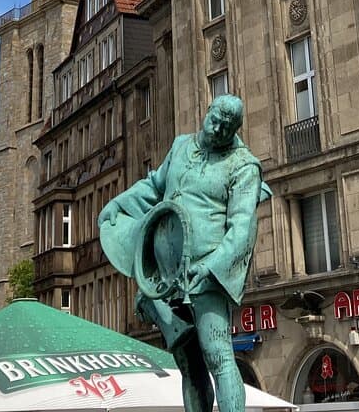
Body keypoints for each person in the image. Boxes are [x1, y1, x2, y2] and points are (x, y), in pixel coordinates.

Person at [98, 94, 271, 412]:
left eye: (226, 127)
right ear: (206, 111)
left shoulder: (244, 166)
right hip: (166, 276)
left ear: (235, 130)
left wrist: (213, 267)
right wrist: (117, 207)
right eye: (214, 119)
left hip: (206, 273)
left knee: (218, 354)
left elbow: (242, 228)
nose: (217, 129)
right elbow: (153, 188)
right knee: (189, 364)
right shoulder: (180, 146)